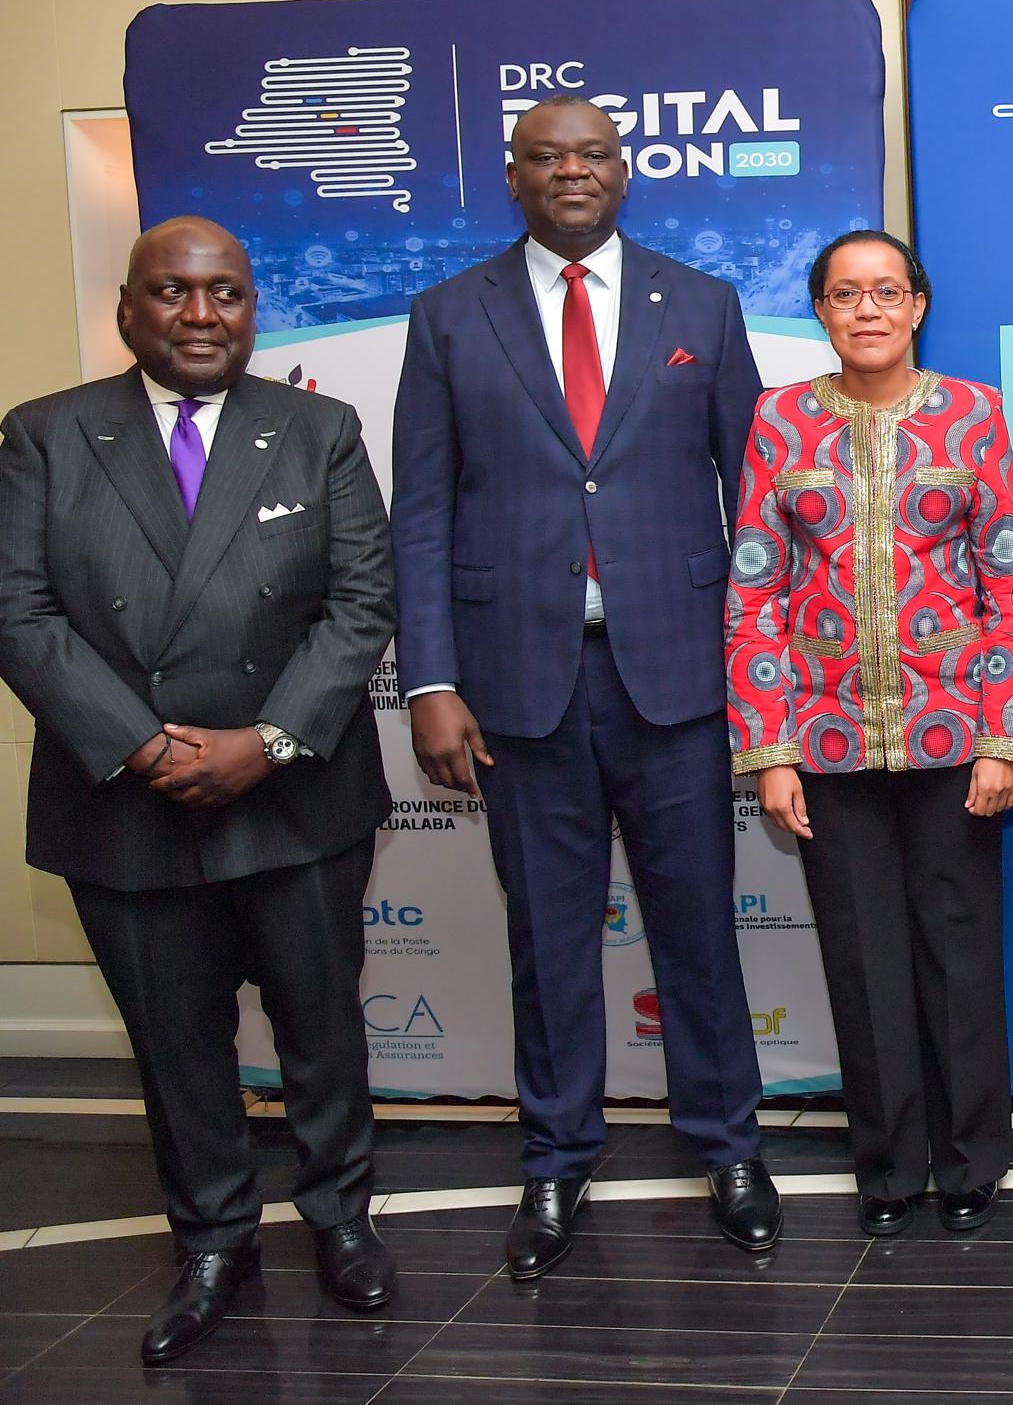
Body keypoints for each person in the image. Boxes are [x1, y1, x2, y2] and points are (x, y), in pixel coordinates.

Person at [390, 95, 779, 1277]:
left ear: (625, 171)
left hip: (678, 679)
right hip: (517, 685)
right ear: (511, 176)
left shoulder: (700, 304)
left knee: (698, 929)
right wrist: (430, 678)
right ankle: (557, 1159)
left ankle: (728, 1147)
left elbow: (755, 502)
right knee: (549, 939)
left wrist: (761, 678)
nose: (572, 171)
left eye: (594, 153)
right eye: (547, 156)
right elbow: (422, 512)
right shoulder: (449, 313)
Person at [0, 219, 397, 1363]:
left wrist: (263, 742)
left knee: (322, 1030)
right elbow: (18, 610)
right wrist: (145, 747)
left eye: (224, 291)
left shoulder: (319, 428)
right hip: (124, 801)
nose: (200, 312)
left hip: (294, 795)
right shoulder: (46, 433)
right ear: (129, 309)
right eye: (171, 291)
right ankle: (214, 1240)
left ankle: (342, 1219)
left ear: (253, 308)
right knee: (176, 1047)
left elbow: (361, 602)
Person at [729, 229, 1013, 1238]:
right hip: (825, 740)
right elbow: (755, 595)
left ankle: (971, 1159)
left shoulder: (973, 412)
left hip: (955, 734)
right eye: (846, 293)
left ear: (917, 305)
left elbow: (1007, 588)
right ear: (821, 309)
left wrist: (1002, 737)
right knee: (863, 963)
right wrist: (770, 750)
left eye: (887, 291)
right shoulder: (779, 421)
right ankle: (890, 1166)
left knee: (958, 954)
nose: (867, 309)